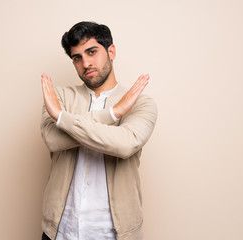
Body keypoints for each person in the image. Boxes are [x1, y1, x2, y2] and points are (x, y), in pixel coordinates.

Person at [40, 21, 158, 240]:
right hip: (59, 231)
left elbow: (124, 144)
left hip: (113, 234)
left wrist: (62, 118)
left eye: (92, 52)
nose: (85, 63)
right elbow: (53, 140)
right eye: (77, 58)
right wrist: (113, 114)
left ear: (111, 51)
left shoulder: (140, 103)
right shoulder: (60, 97)